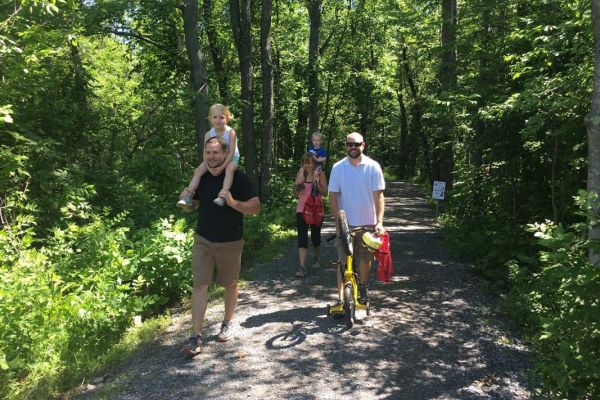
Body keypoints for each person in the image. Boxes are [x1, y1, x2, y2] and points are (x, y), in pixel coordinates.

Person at [181, 136, 260, 357]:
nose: (211, 157)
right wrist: (187, 203)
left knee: (230, 283)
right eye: (208, 152)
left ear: (225, 154)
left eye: (216, 153)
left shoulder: (237, 177)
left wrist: (233, 202)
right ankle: (196, 335)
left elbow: (255, 208)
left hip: (230, 241)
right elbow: (193, 205)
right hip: (203, 239)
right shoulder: (202, 177)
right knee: (200, 285)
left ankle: (227, 322)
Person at [327, 132, 385, 308]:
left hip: (367, 222)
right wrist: (338, 222)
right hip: (345, 224)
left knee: (365, 258)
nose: (353, 147)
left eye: (356, 144)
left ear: (363, 145)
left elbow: (379, 196)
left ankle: (363, 286)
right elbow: (333, 196)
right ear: (345, 146)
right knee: (342, 261)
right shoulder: (338, 167)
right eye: (349, 144)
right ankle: (340, 298)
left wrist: (379, 222)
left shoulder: (373, 166)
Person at [178, 104, 241, 209]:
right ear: (210, 119)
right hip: (213, 158)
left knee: (229, 170)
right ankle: (188, 196)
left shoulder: (231, 132)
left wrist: (221, 168)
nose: (218, 120)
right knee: (198, 170)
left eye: (221, 117)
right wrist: (208, 167)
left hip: (231, 158)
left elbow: (231, 153)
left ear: (227, 118)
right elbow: (205, 153)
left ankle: (222, 196)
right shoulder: (208, 134)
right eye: (215, 117)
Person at [292, 153, 328, 278]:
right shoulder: (301, 174)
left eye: (310, 162)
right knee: (302, 237)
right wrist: (299, 181)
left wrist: (316, 183)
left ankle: (317, 257)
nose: (307, 165)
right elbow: (295, 194)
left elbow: (325, 192)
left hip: (316, 210)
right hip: (301, 209)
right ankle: (301, 267)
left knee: (315, 237)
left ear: (315, 163)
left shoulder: (320, 174)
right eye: (305, 162)